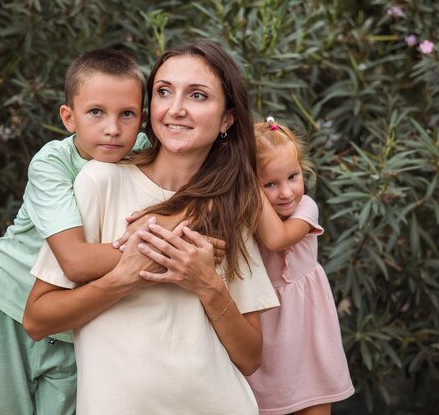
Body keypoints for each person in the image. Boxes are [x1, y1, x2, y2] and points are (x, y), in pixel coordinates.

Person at [22, 39, 280, 415]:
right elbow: (36, 319)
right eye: (164, 92)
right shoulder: (101, 181)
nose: (176, 109)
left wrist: (207, 284)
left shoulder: (230, 206)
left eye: (197, 95)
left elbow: (250, 358)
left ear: (227, 119)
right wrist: (124, 277)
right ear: (150, 108)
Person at [0, 48, 148, 415]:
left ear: (143, 119)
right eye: (96, 112)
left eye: (126, 114)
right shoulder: (52, 163)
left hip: (76, 317)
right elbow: (76, 262)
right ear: (69, 117)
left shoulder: (144, 152)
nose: (112, 128)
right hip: (10, 304)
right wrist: (158, 253)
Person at [246, 117, 354, 415]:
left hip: (306, 328)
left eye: (293, 176)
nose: (285, 192)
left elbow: (277, 239)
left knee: (314, 401)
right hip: (266, 329)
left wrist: (249, 184)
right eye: (269, 184)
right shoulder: (246, 216)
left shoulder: (306, 207)